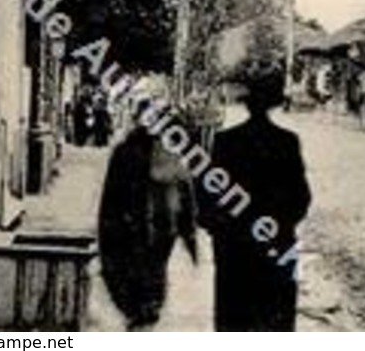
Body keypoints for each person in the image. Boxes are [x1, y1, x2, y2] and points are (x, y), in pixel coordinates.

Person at [200, 66, 312, 331]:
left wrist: (219, 229)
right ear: (272, 105)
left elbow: (207, 195)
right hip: (276, 244)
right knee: (274, 321)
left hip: (233, 249)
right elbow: (301, 197)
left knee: (234, 321)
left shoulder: (226, 141)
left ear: (248, 105)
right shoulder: (287, 142)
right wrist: (283, 226)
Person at [96, 85, 199, 331]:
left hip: (139, 232)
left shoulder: (128, 152)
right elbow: (184, 196)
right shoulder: (163, 152)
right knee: (148, 284)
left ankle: (140, 317)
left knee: (139, 286)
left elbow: (182, 193)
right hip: (151, 232)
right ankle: (143, 316)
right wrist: (189, 235)